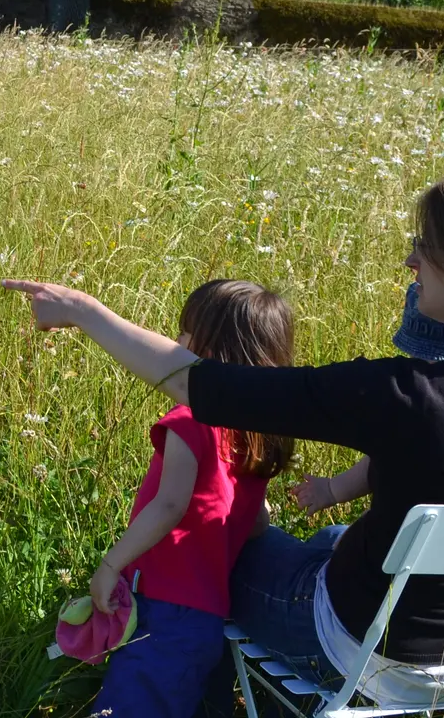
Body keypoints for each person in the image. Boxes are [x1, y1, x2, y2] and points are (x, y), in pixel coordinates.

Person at [6, 169, 444, 709]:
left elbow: (201, 384)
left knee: (218, 554)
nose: (410, 262)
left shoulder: (408, 397)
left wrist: (83, 311)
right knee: (336, 535)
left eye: (426, 246)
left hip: (368, 653)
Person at [79, 280, 295, 718]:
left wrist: (109, 566)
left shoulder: (191, 417)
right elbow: (256, 523)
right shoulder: (259, 432)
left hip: (161, 608)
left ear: (202, 347)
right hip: (208, 618)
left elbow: (169, 505)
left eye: (183, 333)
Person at [292, 282, 444, 515]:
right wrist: (331, 489)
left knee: (330, 538)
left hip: (405, 539)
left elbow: (384, 457)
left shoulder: (410, 406)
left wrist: (332, 490)